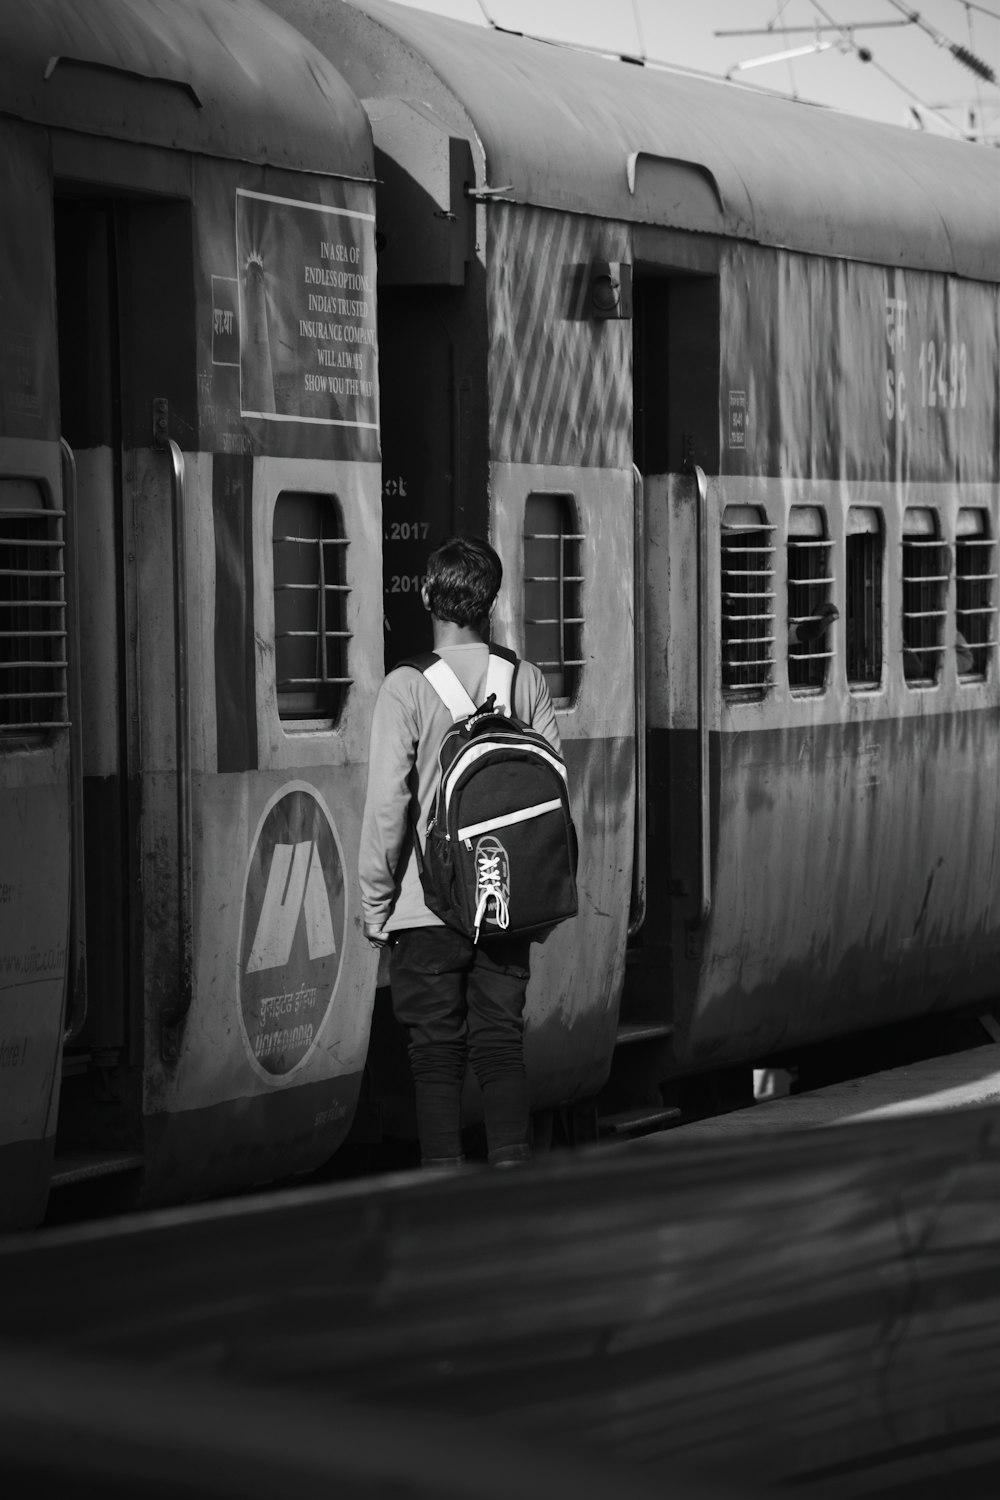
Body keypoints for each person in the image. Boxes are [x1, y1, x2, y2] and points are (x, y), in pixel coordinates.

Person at [359, 536, 561, 1168]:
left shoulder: (405, 688)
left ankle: (442, 1187)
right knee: (500, 1042)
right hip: (505, 898)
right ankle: (512, 1171)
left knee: (434, 1054)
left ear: (427, 597)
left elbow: (389, 806)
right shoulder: (523, 678)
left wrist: (376, 904)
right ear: (491, 602)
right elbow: (556, 781)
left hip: (427, 908)